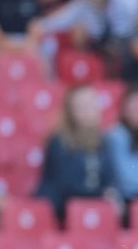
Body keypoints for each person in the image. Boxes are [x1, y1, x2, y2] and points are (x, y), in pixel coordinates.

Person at [36, 84, 120, 222]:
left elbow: (110, 177)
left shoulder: (103, 141)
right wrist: (100, 196)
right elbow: (67, 184)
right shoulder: (59, 142)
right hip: (64, 213)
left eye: (91, 104)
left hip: (93, 210)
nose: (87, 111)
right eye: (81, 106)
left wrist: (111, 194)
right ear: (71, 112)